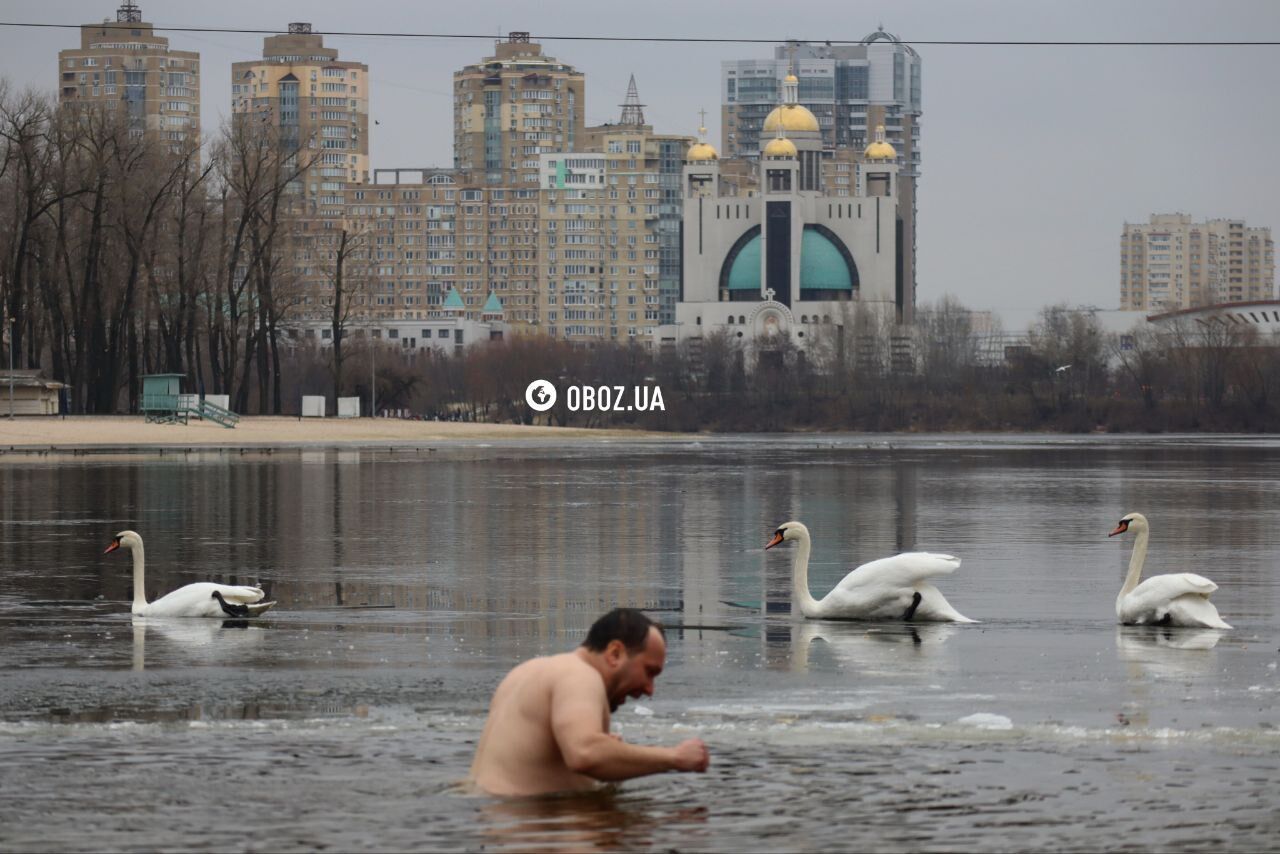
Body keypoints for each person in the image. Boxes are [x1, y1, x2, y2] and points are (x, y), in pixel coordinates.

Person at [468, 608, 710, 797]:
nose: (649, 689)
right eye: (649, 671)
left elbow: (545, 763)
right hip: (530, 828)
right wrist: (675, 757)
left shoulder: (525, 673)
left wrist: (613, 755)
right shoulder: (580, 676)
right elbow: (585, 753)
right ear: (615, 653)